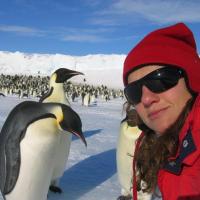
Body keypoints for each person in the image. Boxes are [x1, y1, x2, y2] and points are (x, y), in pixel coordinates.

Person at [123, 22, 200, 200]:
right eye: (134, 92)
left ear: (193, 80)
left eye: (160, 80)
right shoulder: (168, 145)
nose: (147, 99)